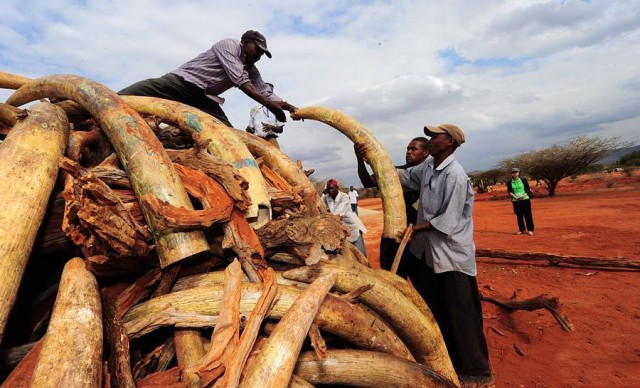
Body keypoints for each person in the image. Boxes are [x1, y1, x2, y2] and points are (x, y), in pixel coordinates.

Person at [392, 124, 493, 386]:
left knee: (463, 315)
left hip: (452, 258)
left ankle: (478, 372)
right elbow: (404, 178)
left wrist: (415, 228)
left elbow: (446, 222)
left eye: (435, 136)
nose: (430, 139)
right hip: (430, 255)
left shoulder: (455, 176)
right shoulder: (428, 168)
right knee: (441, 311)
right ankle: (452, 361)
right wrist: (372, 159)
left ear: (449, 142)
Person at [119, 30, 297, 127]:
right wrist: (269, 105)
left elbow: (263, 90)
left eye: (262, 53)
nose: (259, 55)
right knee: (129, 95)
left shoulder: (251, 69)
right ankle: (98, 108)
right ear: (246, 42)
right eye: (257, 50)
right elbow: (240, 79)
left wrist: (289, 107)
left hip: (203, 98)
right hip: (181, 83)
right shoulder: (229, 45)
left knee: (227, 132)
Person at [355, 137, 429, 274]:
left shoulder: (431, 175)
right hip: (395, 235)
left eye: (414, 149)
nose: (408, 152)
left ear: (425, 153)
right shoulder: (394, 171)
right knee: (394, 276)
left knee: (422, 279)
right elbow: (367, 183)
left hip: (419, 235)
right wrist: (360, 160)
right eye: (408, 148)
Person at [322, 179, 368, 257]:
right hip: (343, 231)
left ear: (337, 188)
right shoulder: (326, 197)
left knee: (361, 255)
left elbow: (336, 214)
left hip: (353, 228)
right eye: (328, 189)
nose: (330, 191)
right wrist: (323, 194)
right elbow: (319, 205)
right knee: (350, 257)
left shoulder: (344, 197)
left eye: (332, 188)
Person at [246, 83, 285, 149]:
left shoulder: (276, 109)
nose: (267, 94)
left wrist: (271, 127)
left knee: (276, 158)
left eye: (270, 92)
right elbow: (251, 130)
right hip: (258, 140)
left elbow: (280, 130)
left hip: (271, 139)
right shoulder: (254, 109)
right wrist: (249, 129)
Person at [507, 167, 535, 236]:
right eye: (513, 172)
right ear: (511, 174)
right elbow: (510, 191)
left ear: (519, 173)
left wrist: (523, 196)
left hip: (525, 199)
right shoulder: (509, 182)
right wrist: (515, 197)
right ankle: (521, 229)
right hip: (516, 201)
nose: (515, 174)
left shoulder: (523, 180)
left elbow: (527, 190)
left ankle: (530, 230)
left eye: (516, 172)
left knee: (528, 215)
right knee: (519, 215)